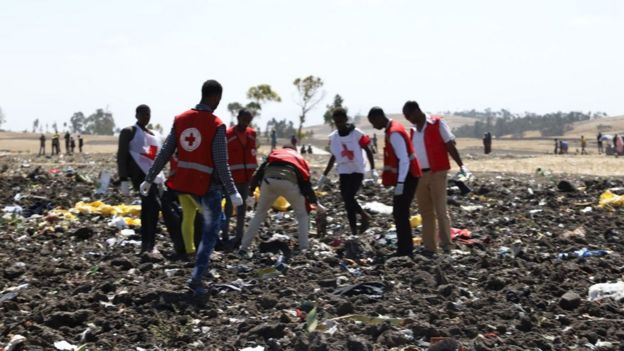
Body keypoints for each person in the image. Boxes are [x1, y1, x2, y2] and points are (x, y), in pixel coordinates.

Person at [142, 80, 243, 295]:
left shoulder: (180, 120)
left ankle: (196, 263)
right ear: (216, 97)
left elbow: (165, 152)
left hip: (182, 183)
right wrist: (233, 190)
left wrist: (149, 178)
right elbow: (221, 162)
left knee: (198, 218)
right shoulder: (216, 125)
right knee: (210, 232)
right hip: (205, 186)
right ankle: (196, 279)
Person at [117, 104, 185, 257]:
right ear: (137, 115)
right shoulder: (129, 132)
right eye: (142, 114)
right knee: (151, 207)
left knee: (158, 209)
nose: (145, 117)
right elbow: (121, 156)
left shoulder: (155, 135)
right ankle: (148, 244)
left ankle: (161, 243)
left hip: (156, 178)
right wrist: (123, 179)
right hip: (140, 176)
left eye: (148, 114)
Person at [403, 101, 468, 256]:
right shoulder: (413, 132)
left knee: (440, 209)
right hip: (420, 174)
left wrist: (461, 166)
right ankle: (430, 247)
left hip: (437, 172)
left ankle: (446, 244)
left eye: (409, 116)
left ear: (417, 111)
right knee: (426, 212)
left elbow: (450, 145)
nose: (409, 120)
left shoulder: (437, 124)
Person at [239, 146, 326, 255]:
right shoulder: (298, 158)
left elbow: (259, 171)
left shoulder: (275, 153)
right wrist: (314, 201)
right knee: (302, 215)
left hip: (269, 181)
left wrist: (251, 190)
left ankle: (243, 248)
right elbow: (305, 182)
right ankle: (304, 248)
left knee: (259, 215)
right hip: (289, 182)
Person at [367, 107, 421, 257]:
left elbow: (404, 160)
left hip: (408, 176)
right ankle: (404, 248)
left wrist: (401, 183)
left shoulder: (394, 133)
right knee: (400, 213)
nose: (373, 126)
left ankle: (405, 250)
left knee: (400, 213)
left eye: (373, 122)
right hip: (407, 176)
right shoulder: (393, 129)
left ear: (378, 118)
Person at [318, 108, 375, 236]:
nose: (339, 124)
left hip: (357, 170)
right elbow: (334, 156)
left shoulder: (357, 134)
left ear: (345, 119)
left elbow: (368, 149)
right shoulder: (334, 138)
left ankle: (364, 216)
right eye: (336, 122)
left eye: (341, 121)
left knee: (349, 197)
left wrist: (372, 169)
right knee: (347, 200)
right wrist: (324, 175)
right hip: (344, 171)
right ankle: (354, 231)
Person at [222, 108, 258, 249]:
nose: (246, 122)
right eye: (244, 119)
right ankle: (224, 234)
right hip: (232, 178)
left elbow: (253, 155)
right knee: (229, 207)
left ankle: (239, 236)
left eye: (248, 120)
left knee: (242, 209)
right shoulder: (228, 134)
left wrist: (254, 177)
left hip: (247, 177)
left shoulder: (252, 134)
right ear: (238, 118)